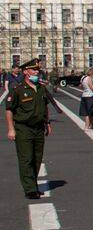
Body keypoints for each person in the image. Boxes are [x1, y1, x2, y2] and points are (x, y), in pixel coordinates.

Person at [6, 57, 53, 199]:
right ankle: (30, 189)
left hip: (38, 128)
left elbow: (44, 107)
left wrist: (47, 123)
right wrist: (11, 128)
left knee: (37, 158)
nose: (37, 72)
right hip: (23, 128)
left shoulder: (40, 88)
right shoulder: (18, 89)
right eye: (34, 70)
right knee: (26, 159)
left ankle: (33, 184)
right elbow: (9, 109)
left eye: (38, 70)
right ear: (26, 71)